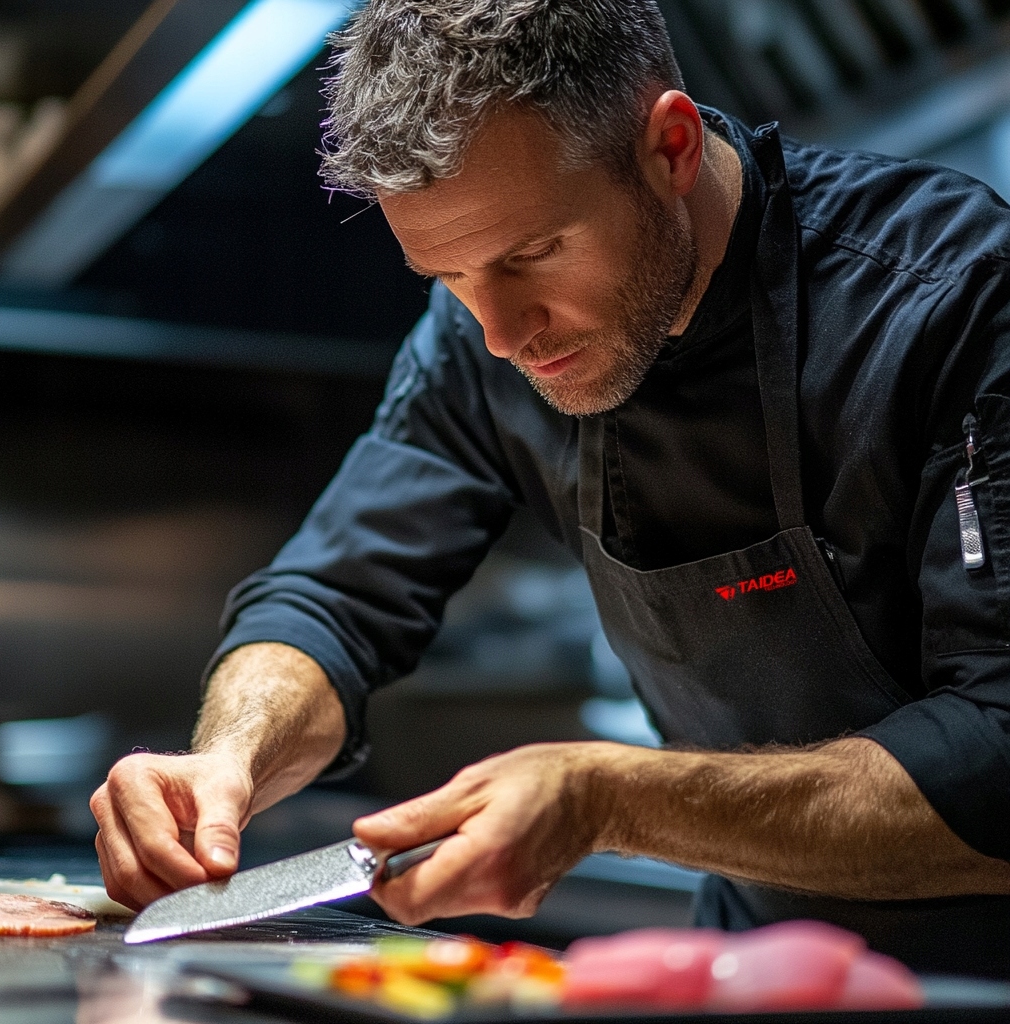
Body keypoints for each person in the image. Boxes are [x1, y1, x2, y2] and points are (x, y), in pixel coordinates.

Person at [90, 0, 1010, 977]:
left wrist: (609, 799)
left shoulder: (949, 296)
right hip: (760, 968)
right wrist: (227, 758)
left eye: (531, 254)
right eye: (448, 276)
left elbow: (999, 752)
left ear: (670, 148)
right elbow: (333, 597)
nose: (501, 334)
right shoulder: (478, 344)